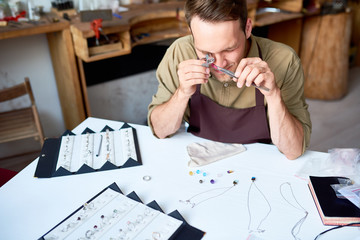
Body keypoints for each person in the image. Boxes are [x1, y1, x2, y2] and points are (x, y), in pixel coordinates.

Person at [147, 0, 311, 160]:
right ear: (192, 32)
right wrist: (182, 93)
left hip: (261, 161)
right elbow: (160, 131)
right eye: (206, 52)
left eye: (230, 49)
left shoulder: (284, 60)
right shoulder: (180, 52)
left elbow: (294, 150)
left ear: (247, 28)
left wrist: (274, 95)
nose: (219, 64)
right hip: (198, 155)